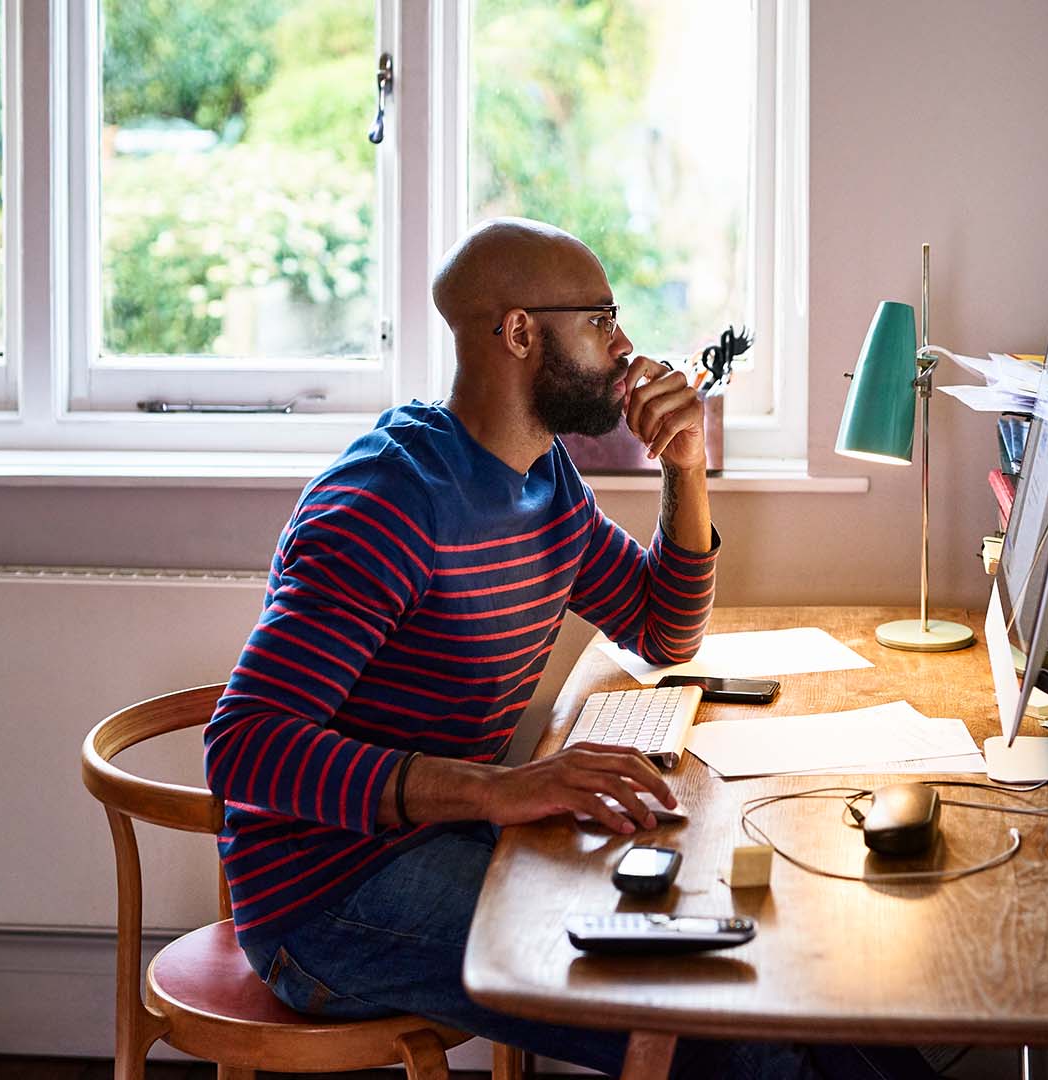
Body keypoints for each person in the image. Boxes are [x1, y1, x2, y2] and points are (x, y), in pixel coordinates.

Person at [203, 218, 936, 1079]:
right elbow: (242, 748)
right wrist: (501, 788)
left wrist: (686, 465)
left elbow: (663, 631)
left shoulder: (544, 480)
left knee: (792, 969)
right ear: (519, 332)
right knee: (735, 1027)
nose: (626, 347)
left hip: (453, 838)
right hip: (329, 898)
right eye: (601, 319)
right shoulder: (387, 504)